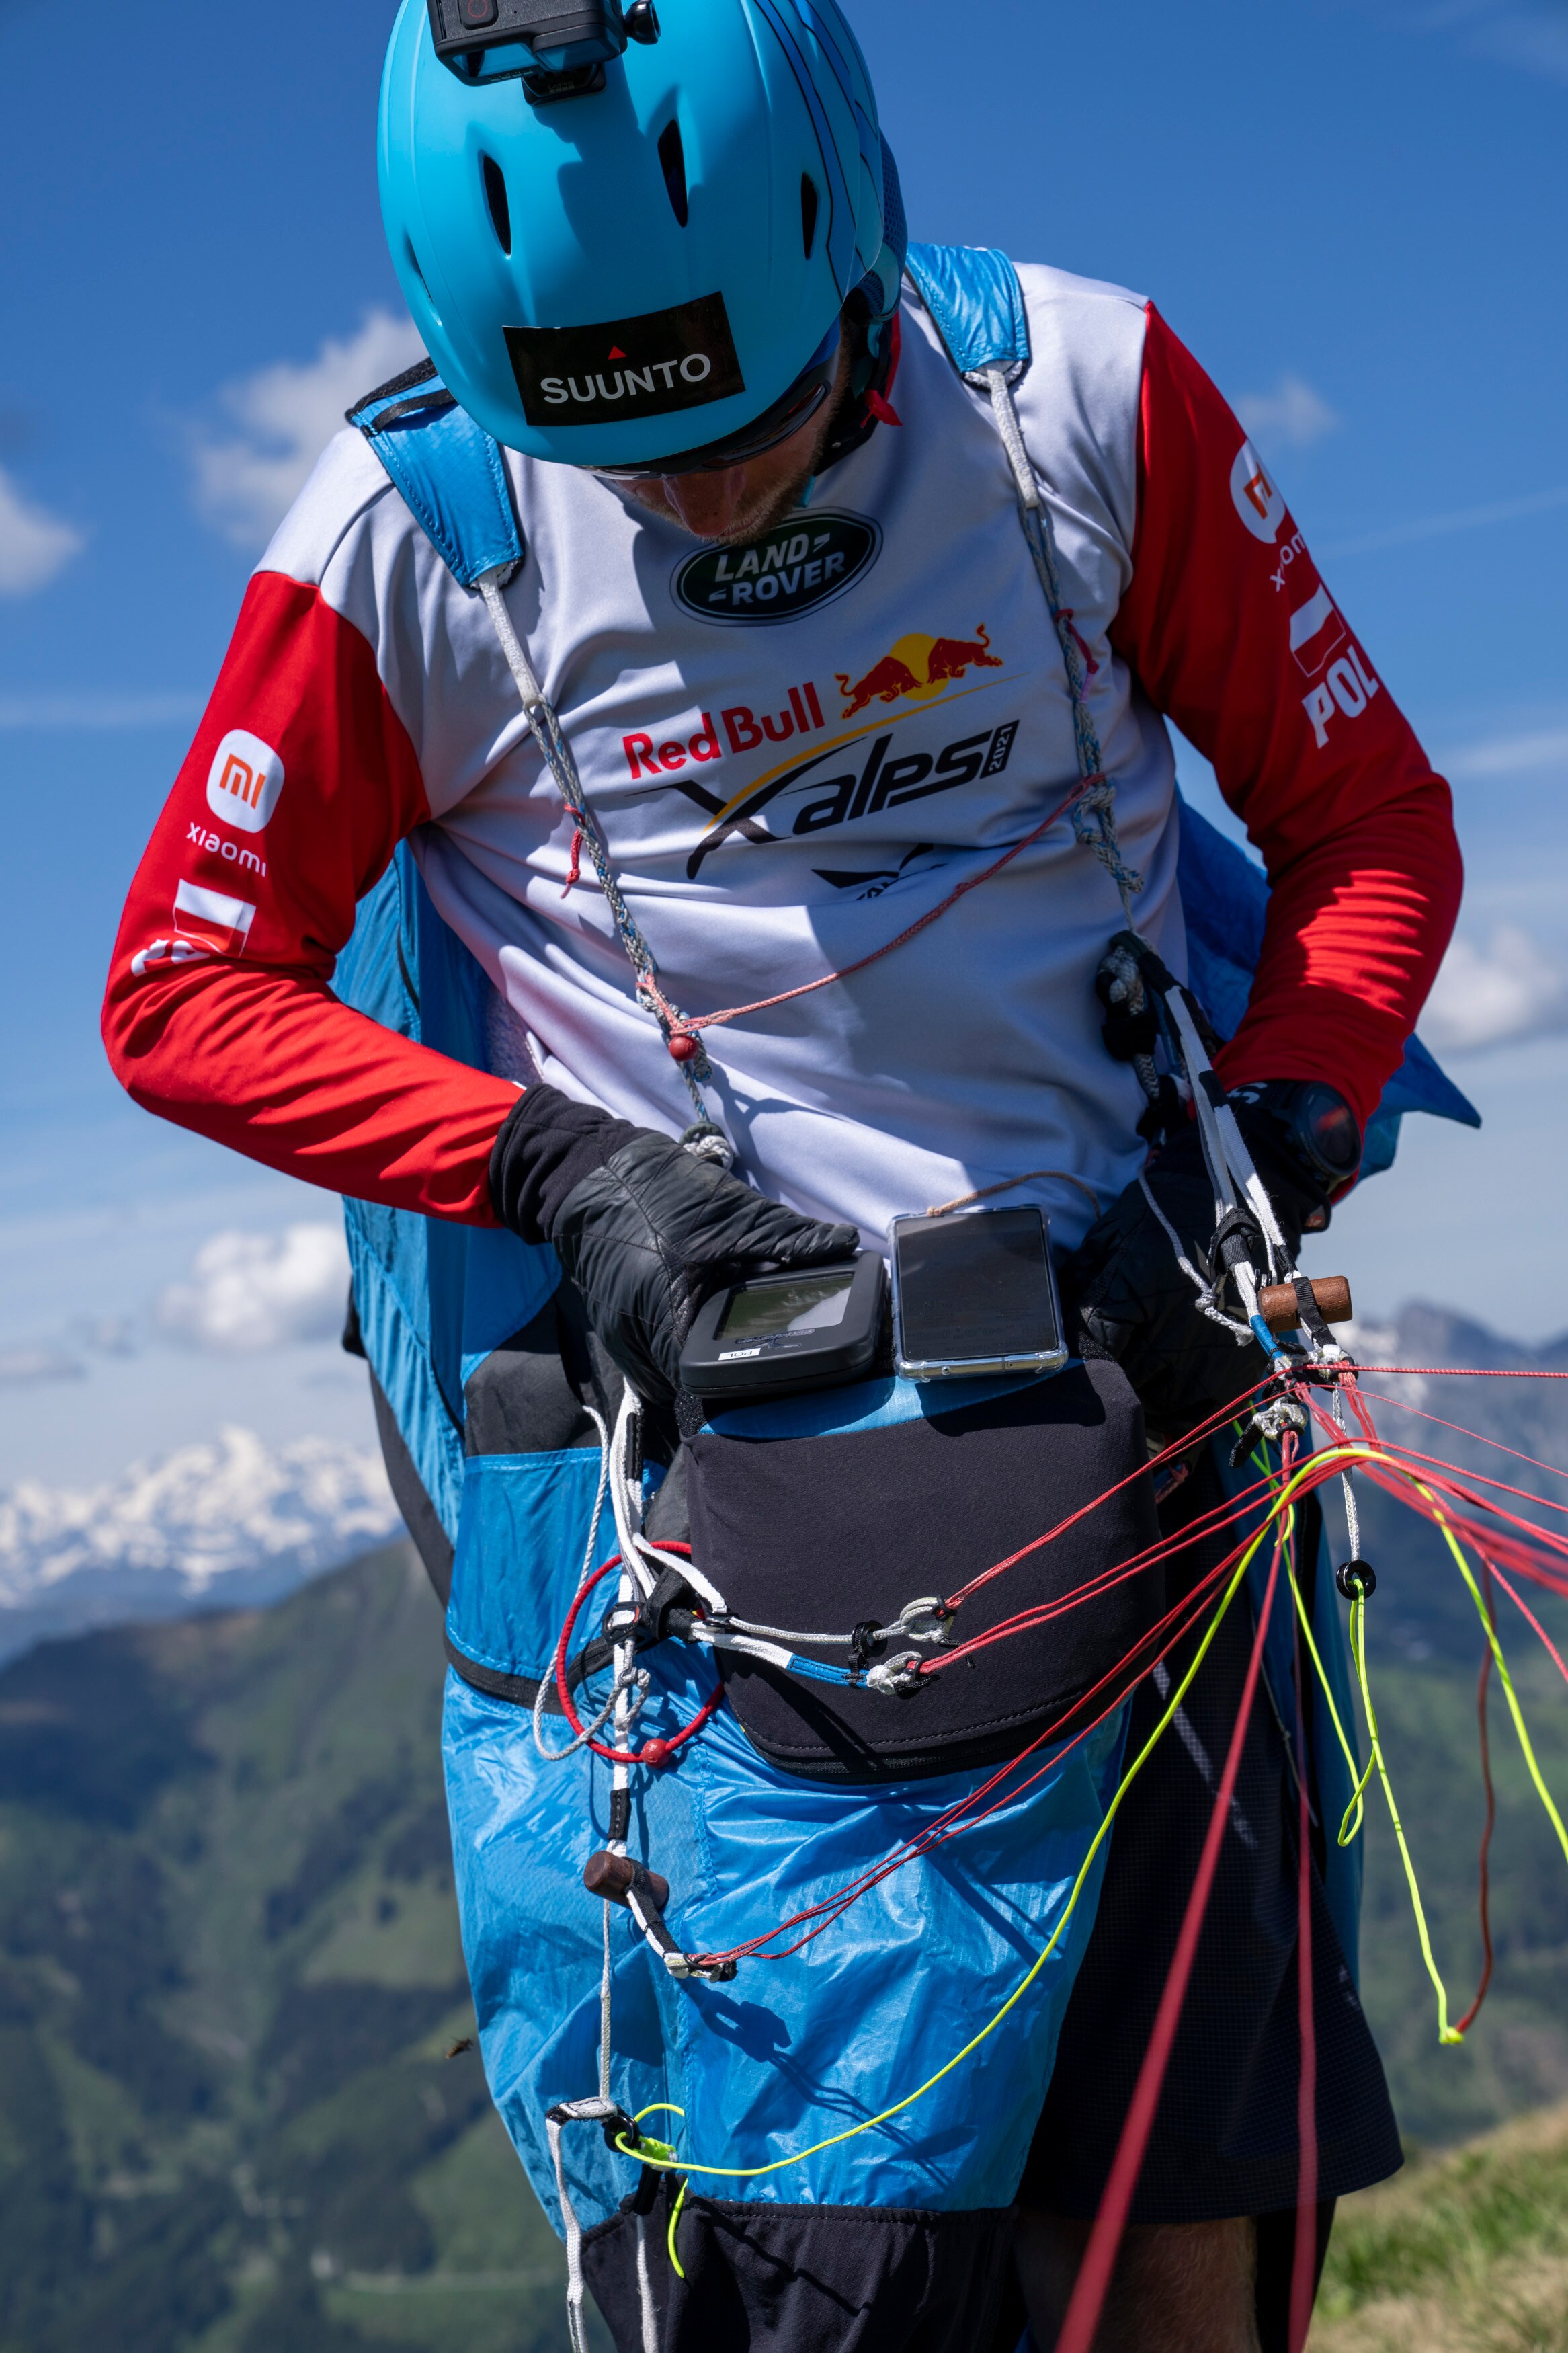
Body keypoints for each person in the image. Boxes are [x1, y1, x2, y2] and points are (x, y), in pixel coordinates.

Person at [104, 1, 1462, 2344]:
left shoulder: (1083, 406)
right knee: (822, 2278)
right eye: (629, 455)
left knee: (1184, 2237)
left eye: (750, 417)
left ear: (859, 245)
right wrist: (553, 1171)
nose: (713, 503)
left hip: (1164, 1419)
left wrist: (1292, 1116)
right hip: (728, 1550)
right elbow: (180, 989)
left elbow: (1366, 833)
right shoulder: (408, 541)